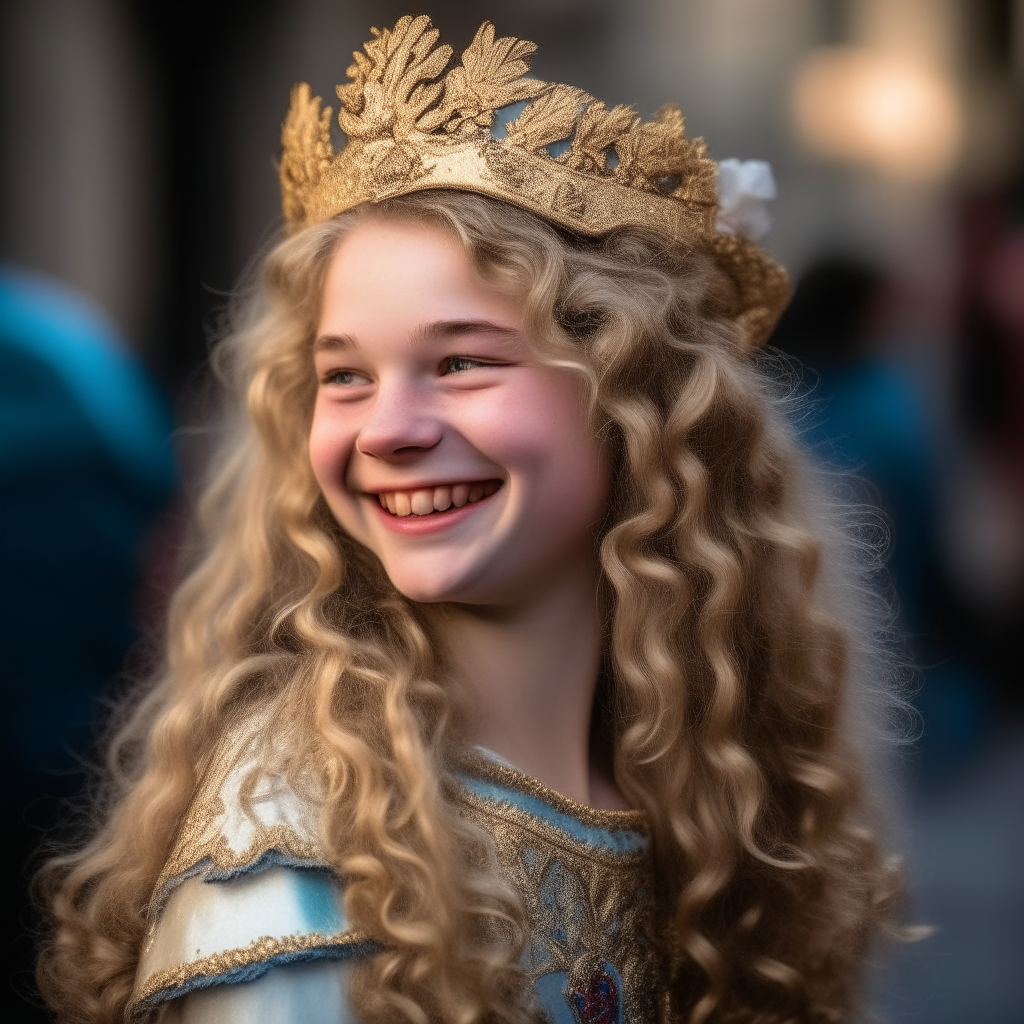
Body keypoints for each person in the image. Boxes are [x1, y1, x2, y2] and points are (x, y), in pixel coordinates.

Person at [35, 17, 905, 1024]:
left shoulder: (692, 774)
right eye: (343, 377)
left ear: (634, 401)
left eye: (460, 361)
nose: (389, 431)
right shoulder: (294, 859)